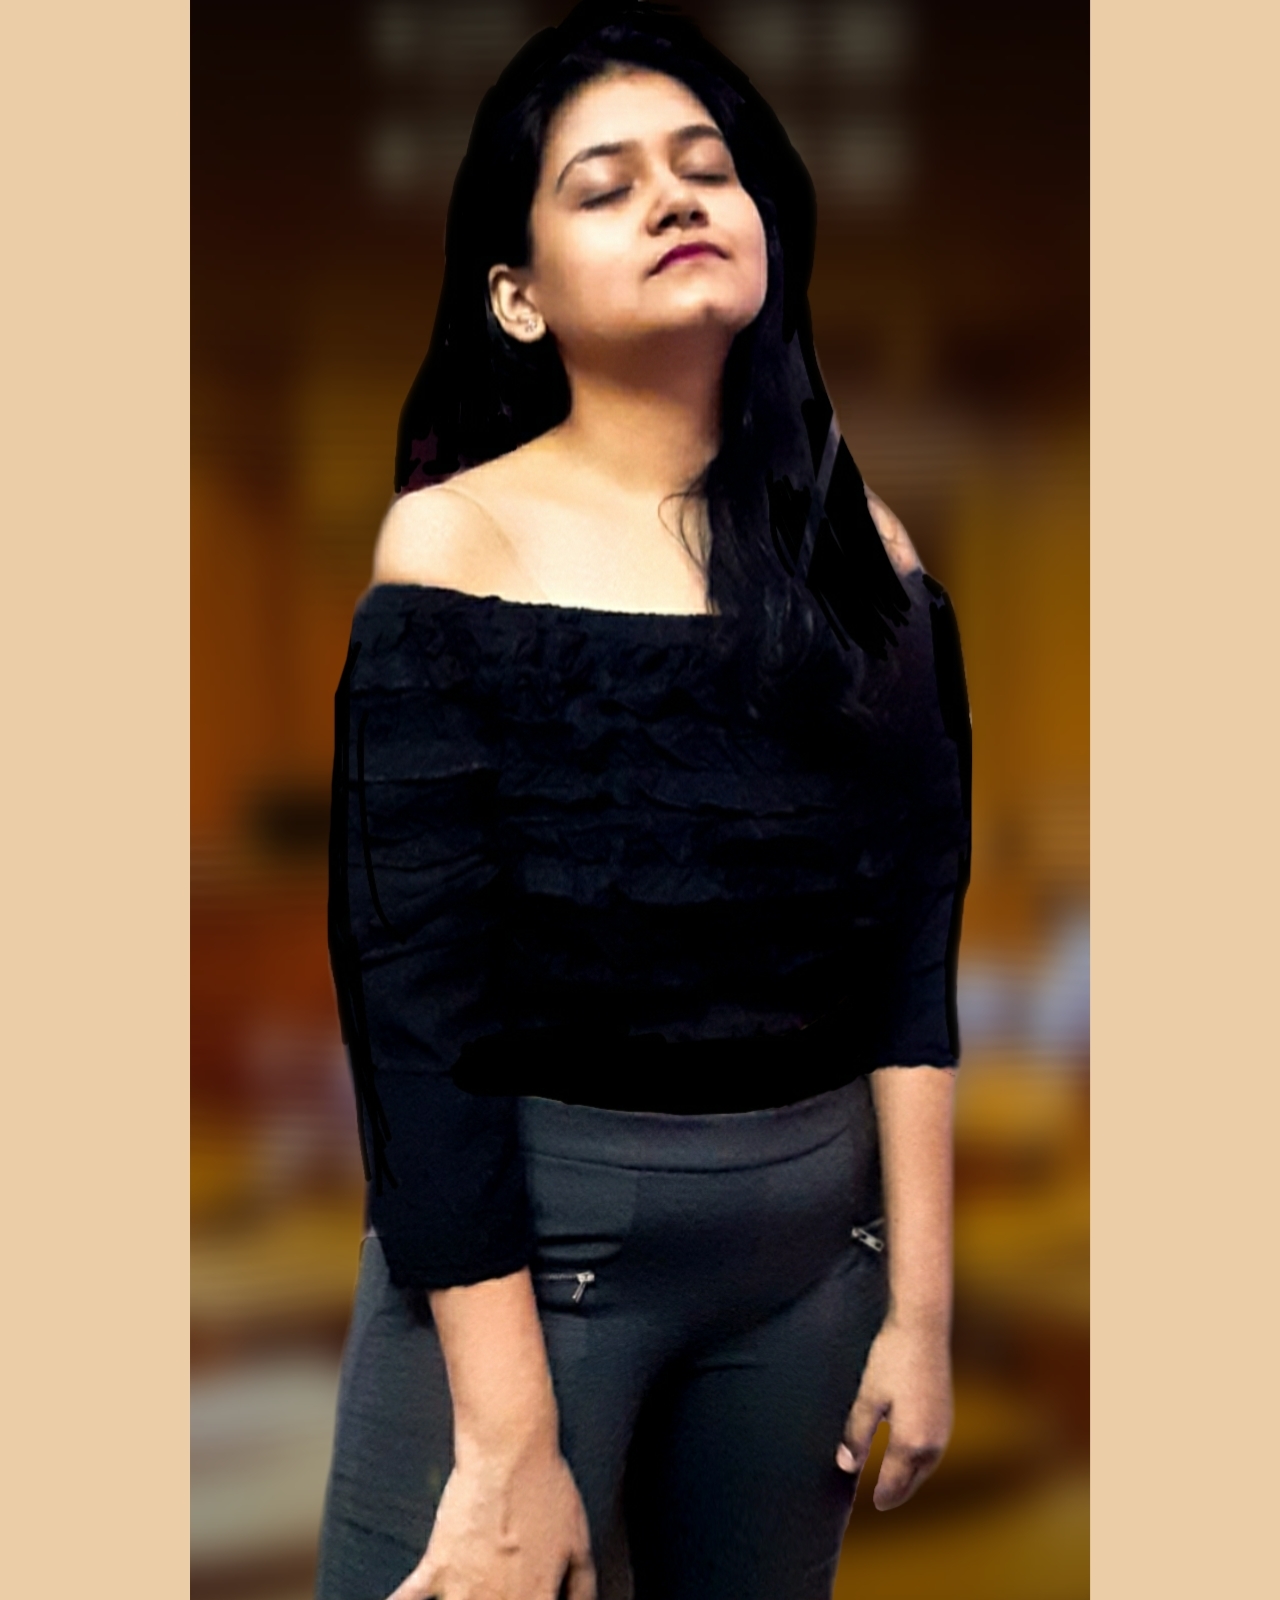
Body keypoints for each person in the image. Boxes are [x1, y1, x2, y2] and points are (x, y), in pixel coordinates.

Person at [317, 4, 971, 1598]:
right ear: (518, 295)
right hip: (536, 1267)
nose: (676, 196)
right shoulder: (456, 545)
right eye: (605, 186)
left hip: (815, 1270)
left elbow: (909, 951)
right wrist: (504, 1443)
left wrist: (922, 1310)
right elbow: (417, 1023)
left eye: (706, 168)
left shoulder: (866, 554)